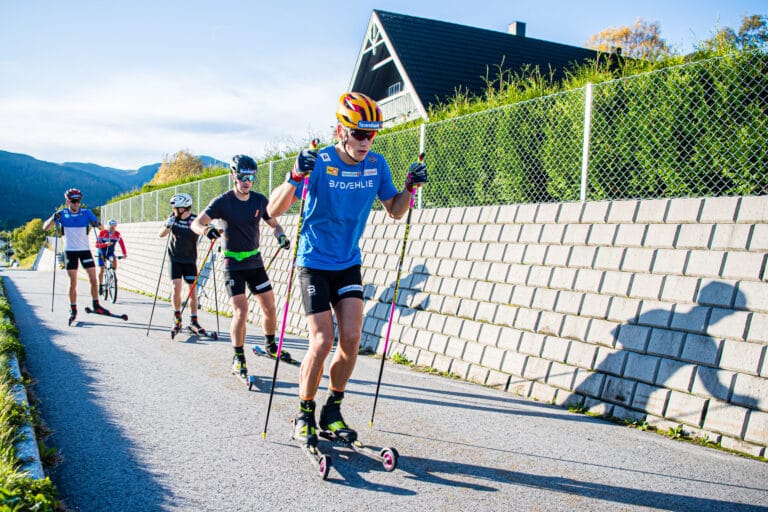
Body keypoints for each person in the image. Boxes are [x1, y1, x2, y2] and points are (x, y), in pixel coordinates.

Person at [267, 92, 428, 447]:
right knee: (322, 341)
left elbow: (396, 211)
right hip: (313, 262)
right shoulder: (320, 162)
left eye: (372, 134)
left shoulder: (377, 165)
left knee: (352, 339)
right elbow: (273, 210)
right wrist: (295, 176)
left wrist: (409, 188)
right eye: (359, 133)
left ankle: (332, 409)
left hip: (348, 263)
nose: (366, 141)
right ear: (341, 130)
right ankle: (304, 413)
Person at [191, 155, 291, 379]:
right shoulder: (223, 201)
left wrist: (281, 237)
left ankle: (270, 345)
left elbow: (274, 224)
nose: (247, 181)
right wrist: (207, 231)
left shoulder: (259, 200)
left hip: (255, 262)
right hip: (232, 264)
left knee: (269, 307)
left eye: (251, 177)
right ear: (233, 176)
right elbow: (195, 223)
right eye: (242, 176)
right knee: (241, 311)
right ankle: (238, 357)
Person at [43, 188, 110, 325]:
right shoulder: (62, 214)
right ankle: (73, 309)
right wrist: (52, 219)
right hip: (70, 252)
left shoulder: (86, 213)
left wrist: (97, 224)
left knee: (93, 278)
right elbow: (46, 228)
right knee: (73, 282)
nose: (76, 204)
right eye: (73, 201)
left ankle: (96, 304)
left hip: (85, 250)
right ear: (67, 201)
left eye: (78, 201)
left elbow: (102, 228)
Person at [159, 193, 209, 335]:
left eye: (176, 208)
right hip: (175, 259)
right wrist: (167, 226)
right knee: (175, 287)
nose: (174, 210)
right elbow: (161, 234)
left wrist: (212, 231)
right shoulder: (172, 219)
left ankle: (194, 320)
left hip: (190, 260)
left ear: (183, 208)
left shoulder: (195, 220)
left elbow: (205, 228)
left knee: (192, 291)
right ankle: (177, 318)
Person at [96, 219, 127, 295]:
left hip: (110, 253)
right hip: (102, 253)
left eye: (114, 226)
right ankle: (100, 285)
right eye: (111, 226)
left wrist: (124, 253)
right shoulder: (102, 233)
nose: (113, 228)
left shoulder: (117, 234)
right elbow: (97, 245)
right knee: (102, 269)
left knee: (114, 261)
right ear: (108, 226)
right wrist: (105, 244)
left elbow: (121, 243)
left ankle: (112, 276)